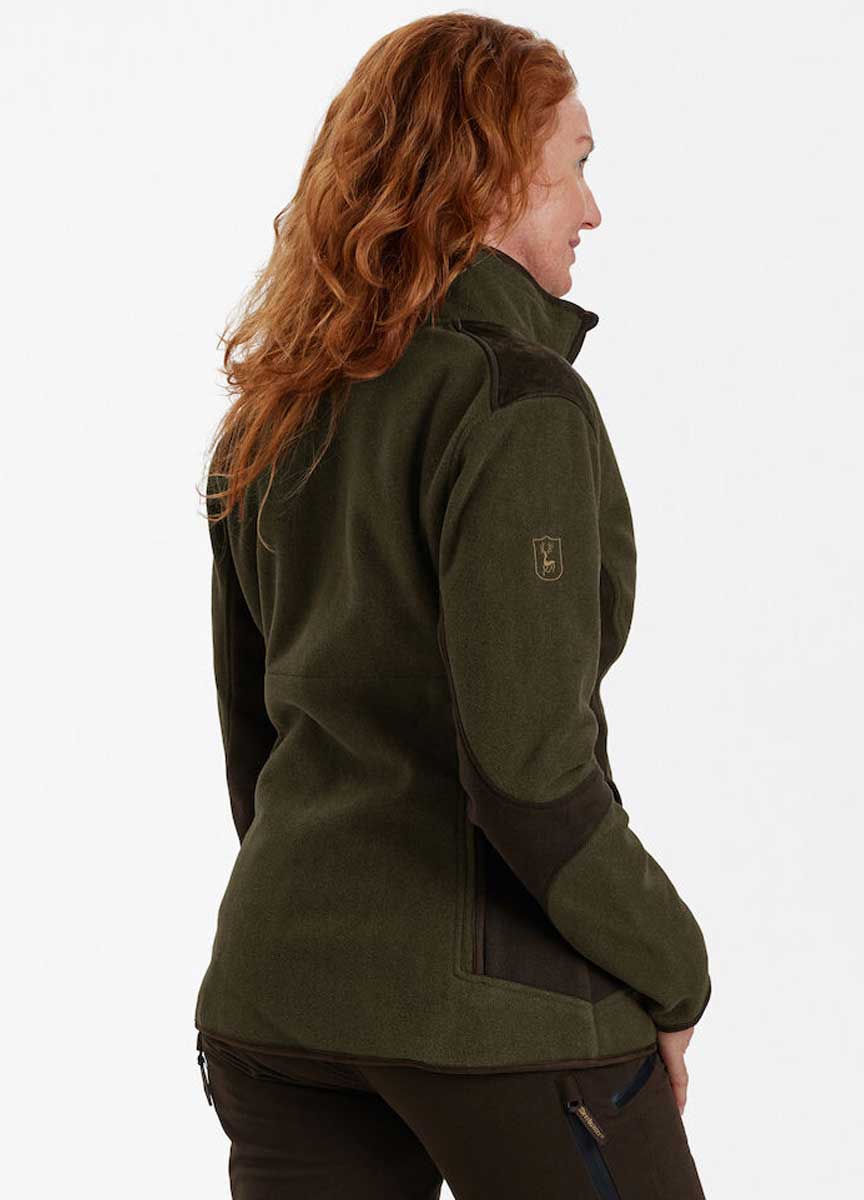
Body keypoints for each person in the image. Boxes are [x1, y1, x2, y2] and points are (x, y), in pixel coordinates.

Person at [193, 13, 712, 1198]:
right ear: (491, 175)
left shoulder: (277, 410)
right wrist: (672, 966)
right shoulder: (512, 403)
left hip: (277, 1000)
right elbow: (530, 772)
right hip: (499, 1016)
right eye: (577, 163)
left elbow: (256, 740)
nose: (593, 209)